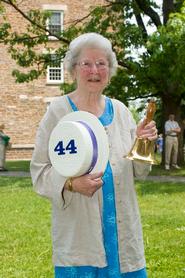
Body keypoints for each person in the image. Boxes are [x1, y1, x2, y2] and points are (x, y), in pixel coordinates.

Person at [30, 33, 157, 278]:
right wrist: (71, 183)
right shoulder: (58, 111)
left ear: (109, 71)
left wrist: (143, 143)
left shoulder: (120, 111)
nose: (94, 70)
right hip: (78, 239)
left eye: (101, 63)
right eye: (86, 63)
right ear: (73, 70)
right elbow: (39, 171)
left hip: (123, 239)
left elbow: (140, 171)